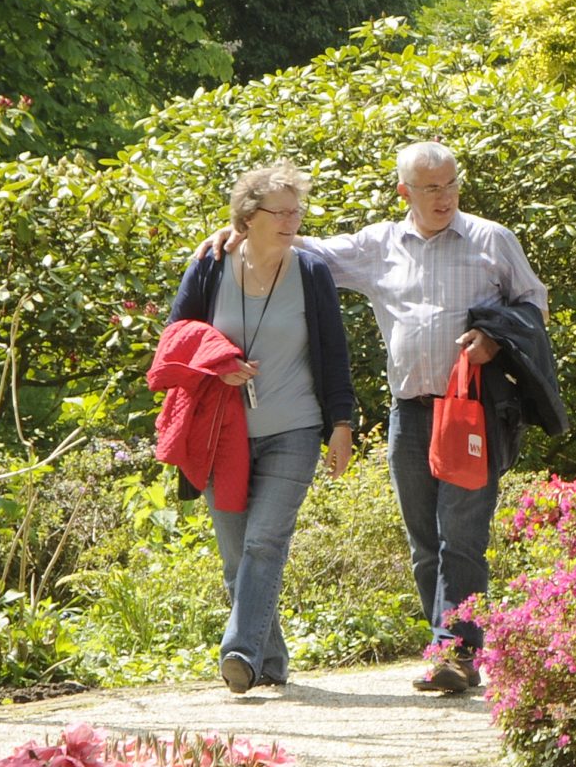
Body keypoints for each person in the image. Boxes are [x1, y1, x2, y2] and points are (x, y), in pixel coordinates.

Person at [297, 143, 549, 695]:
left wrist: (493, 340)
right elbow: (303, 251)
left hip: (473, 409)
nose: (444, 197)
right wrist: (238, 233)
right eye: (431, 188)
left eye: (451, 184)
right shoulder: (378, 245)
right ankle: (446, 648)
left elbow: (533, 305)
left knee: (460, 534)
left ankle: (457, 654)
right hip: (409, 413)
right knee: (423, 540)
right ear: (403, 191)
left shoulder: (490, 238)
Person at [166, 163, 357, 694]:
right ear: (248, 218)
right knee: (236, 557)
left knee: (264, 543)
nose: (293, 219)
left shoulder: (311, 273)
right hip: (220, 434)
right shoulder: (209, 265)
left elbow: (335, 355)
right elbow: (176, 339)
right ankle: (269, 661)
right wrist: (217, 368)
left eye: (298, 210)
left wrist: (341, 423)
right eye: (282, 211)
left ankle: (240, 653)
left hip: (294, 426)